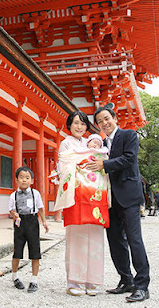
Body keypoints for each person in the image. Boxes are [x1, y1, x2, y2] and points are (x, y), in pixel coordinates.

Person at [87, 106, 150, 303]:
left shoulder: (129, 135)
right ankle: (126, 280)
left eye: (107, 119)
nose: (105, 123)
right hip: (109, 199)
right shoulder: (100, 144)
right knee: (115, 241)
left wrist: (104, 165)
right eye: (100, 122)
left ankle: (142, 286)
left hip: (128, 197)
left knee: (134, 240)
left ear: (114, 118)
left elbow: (129, 159)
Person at [55, 111, 108, 297]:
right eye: (76, 123)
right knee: (76, 238)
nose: (80, 127)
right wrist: (82, 163)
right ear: (69, 125)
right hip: (76, 195)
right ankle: (74, 281)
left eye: (83, 124)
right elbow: (63, 165)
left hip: (93, 196)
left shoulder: (91, 144)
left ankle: (93, 280)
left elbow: (101, 161)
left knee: (95, 237)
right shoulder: (66, 143)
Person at [8, 166, 50, 292]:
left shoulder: (35, 193)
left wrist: (44, 222)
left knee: (35, 251)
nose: (24, 180)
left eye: (27, 178)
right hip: (19, 223)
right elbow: (10, 209)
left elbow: (41, 208)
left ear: (31, 181)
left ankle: (34, 280)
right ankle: (15, 277)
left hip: (32, 222)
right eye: (21, 178)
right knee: (17, 251)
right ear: (16, 180)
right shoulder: (13, 195)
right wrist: (14, 214)